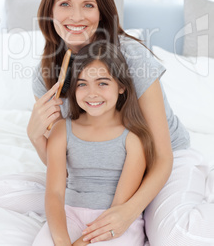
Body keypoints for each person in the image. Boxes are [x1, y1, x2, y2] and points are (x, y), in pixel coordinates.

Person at [0, 0, 214, 245]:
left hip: (161, 163)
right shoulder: (46, 75)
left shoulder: (130, 58)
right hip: (94, 175)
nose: (76, 15)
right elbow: (63, 162)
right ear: (50, 11)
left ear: (102, 11)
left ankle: (192, 189)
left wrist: (127, 212)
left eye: (88, 5)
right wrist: (35, 137)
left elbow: (163, 155)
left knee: (175, 236)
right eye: (65, 4)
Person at [33, 41, 154, 246]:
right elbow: (54, 192)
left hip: (114, 222)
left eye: (102, 83)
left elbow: (119, 207)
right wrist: (62, 240)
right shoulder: (62, 130)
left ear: (122, 86)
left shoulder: (134, 138)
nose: (92, 93)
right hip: (70, 213)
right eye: (82, 83)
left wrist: (81, 243)